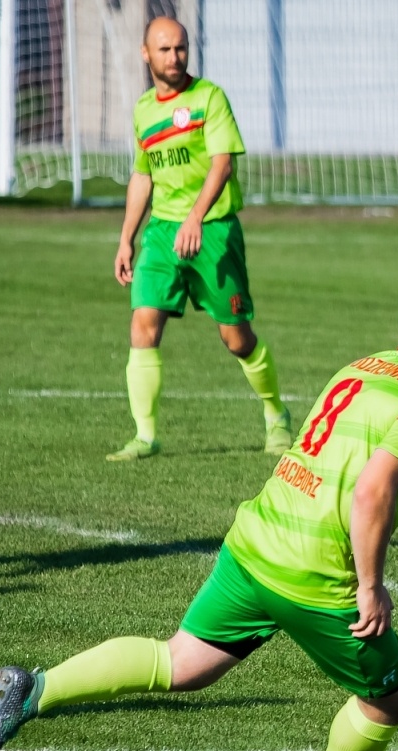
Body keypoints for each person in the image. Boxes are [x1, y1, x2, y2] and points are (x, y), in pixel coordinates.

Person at [0, 276, 398, 751]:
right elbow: (371, 492)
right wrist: (369, 586)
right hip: (315, 574)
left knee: (181, 663)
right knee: (395, 697)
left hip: (255, 542)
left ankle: (34, 689)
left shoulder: (364, 366)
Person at [107, 16, 290, 462]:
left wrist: (195, 218)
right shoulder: (144, 110)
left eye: (181, 48)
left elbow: (222, 164)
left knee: (236, 338)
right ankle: (145, 436)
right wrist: (126, 238)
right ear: (145, 54)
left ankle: (276, 415)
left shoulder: (209, 98)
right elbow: (142, 176)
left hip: (214, 231)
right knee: (143, 325)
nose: (175, 57)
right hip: (162, 234)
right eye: (165, 49)